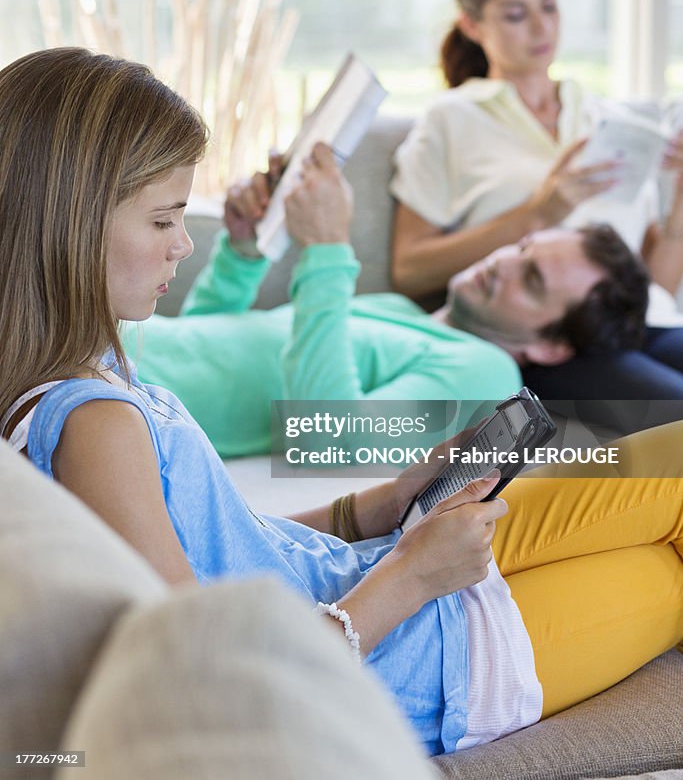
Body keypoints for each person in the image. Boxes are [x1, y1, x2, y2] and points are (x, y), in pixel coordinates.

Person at [1, 47, 681, 758]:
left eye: (531, 280)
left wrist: (377, 508)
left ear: (547, 348)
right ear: (72, 224)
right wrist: (406, 570)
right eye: (163, 221)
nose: (180, 246)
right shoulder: (96, 409)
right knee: (666, 567)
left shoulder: (472, 362)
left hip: (365, 587)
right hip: (394, 647)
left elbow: (244, 511)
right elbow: (214, 676)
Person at [121, 148, 648, 458]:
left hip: (107, 382)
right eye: (522, 249)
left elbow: (326, 439)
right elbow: (207, 342)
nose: (503, 263)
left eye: (531, 279)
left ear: (553, 346)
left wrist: (327, 248)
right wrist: (242, 248)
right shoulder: (400, 311)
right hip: (119, 347)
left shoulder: (485, 375)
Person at [390, 0, 683, 404]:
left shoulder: (600, 117)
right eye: (515, 13)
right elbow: (408, 269)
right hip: (550, 340)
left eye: (549, 6)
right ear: (471, 24)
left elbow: (657, 294)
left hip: (646, 326)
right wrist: (539, 213)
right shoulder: (451, 119)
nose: (541, 27)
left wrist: (678, 221)